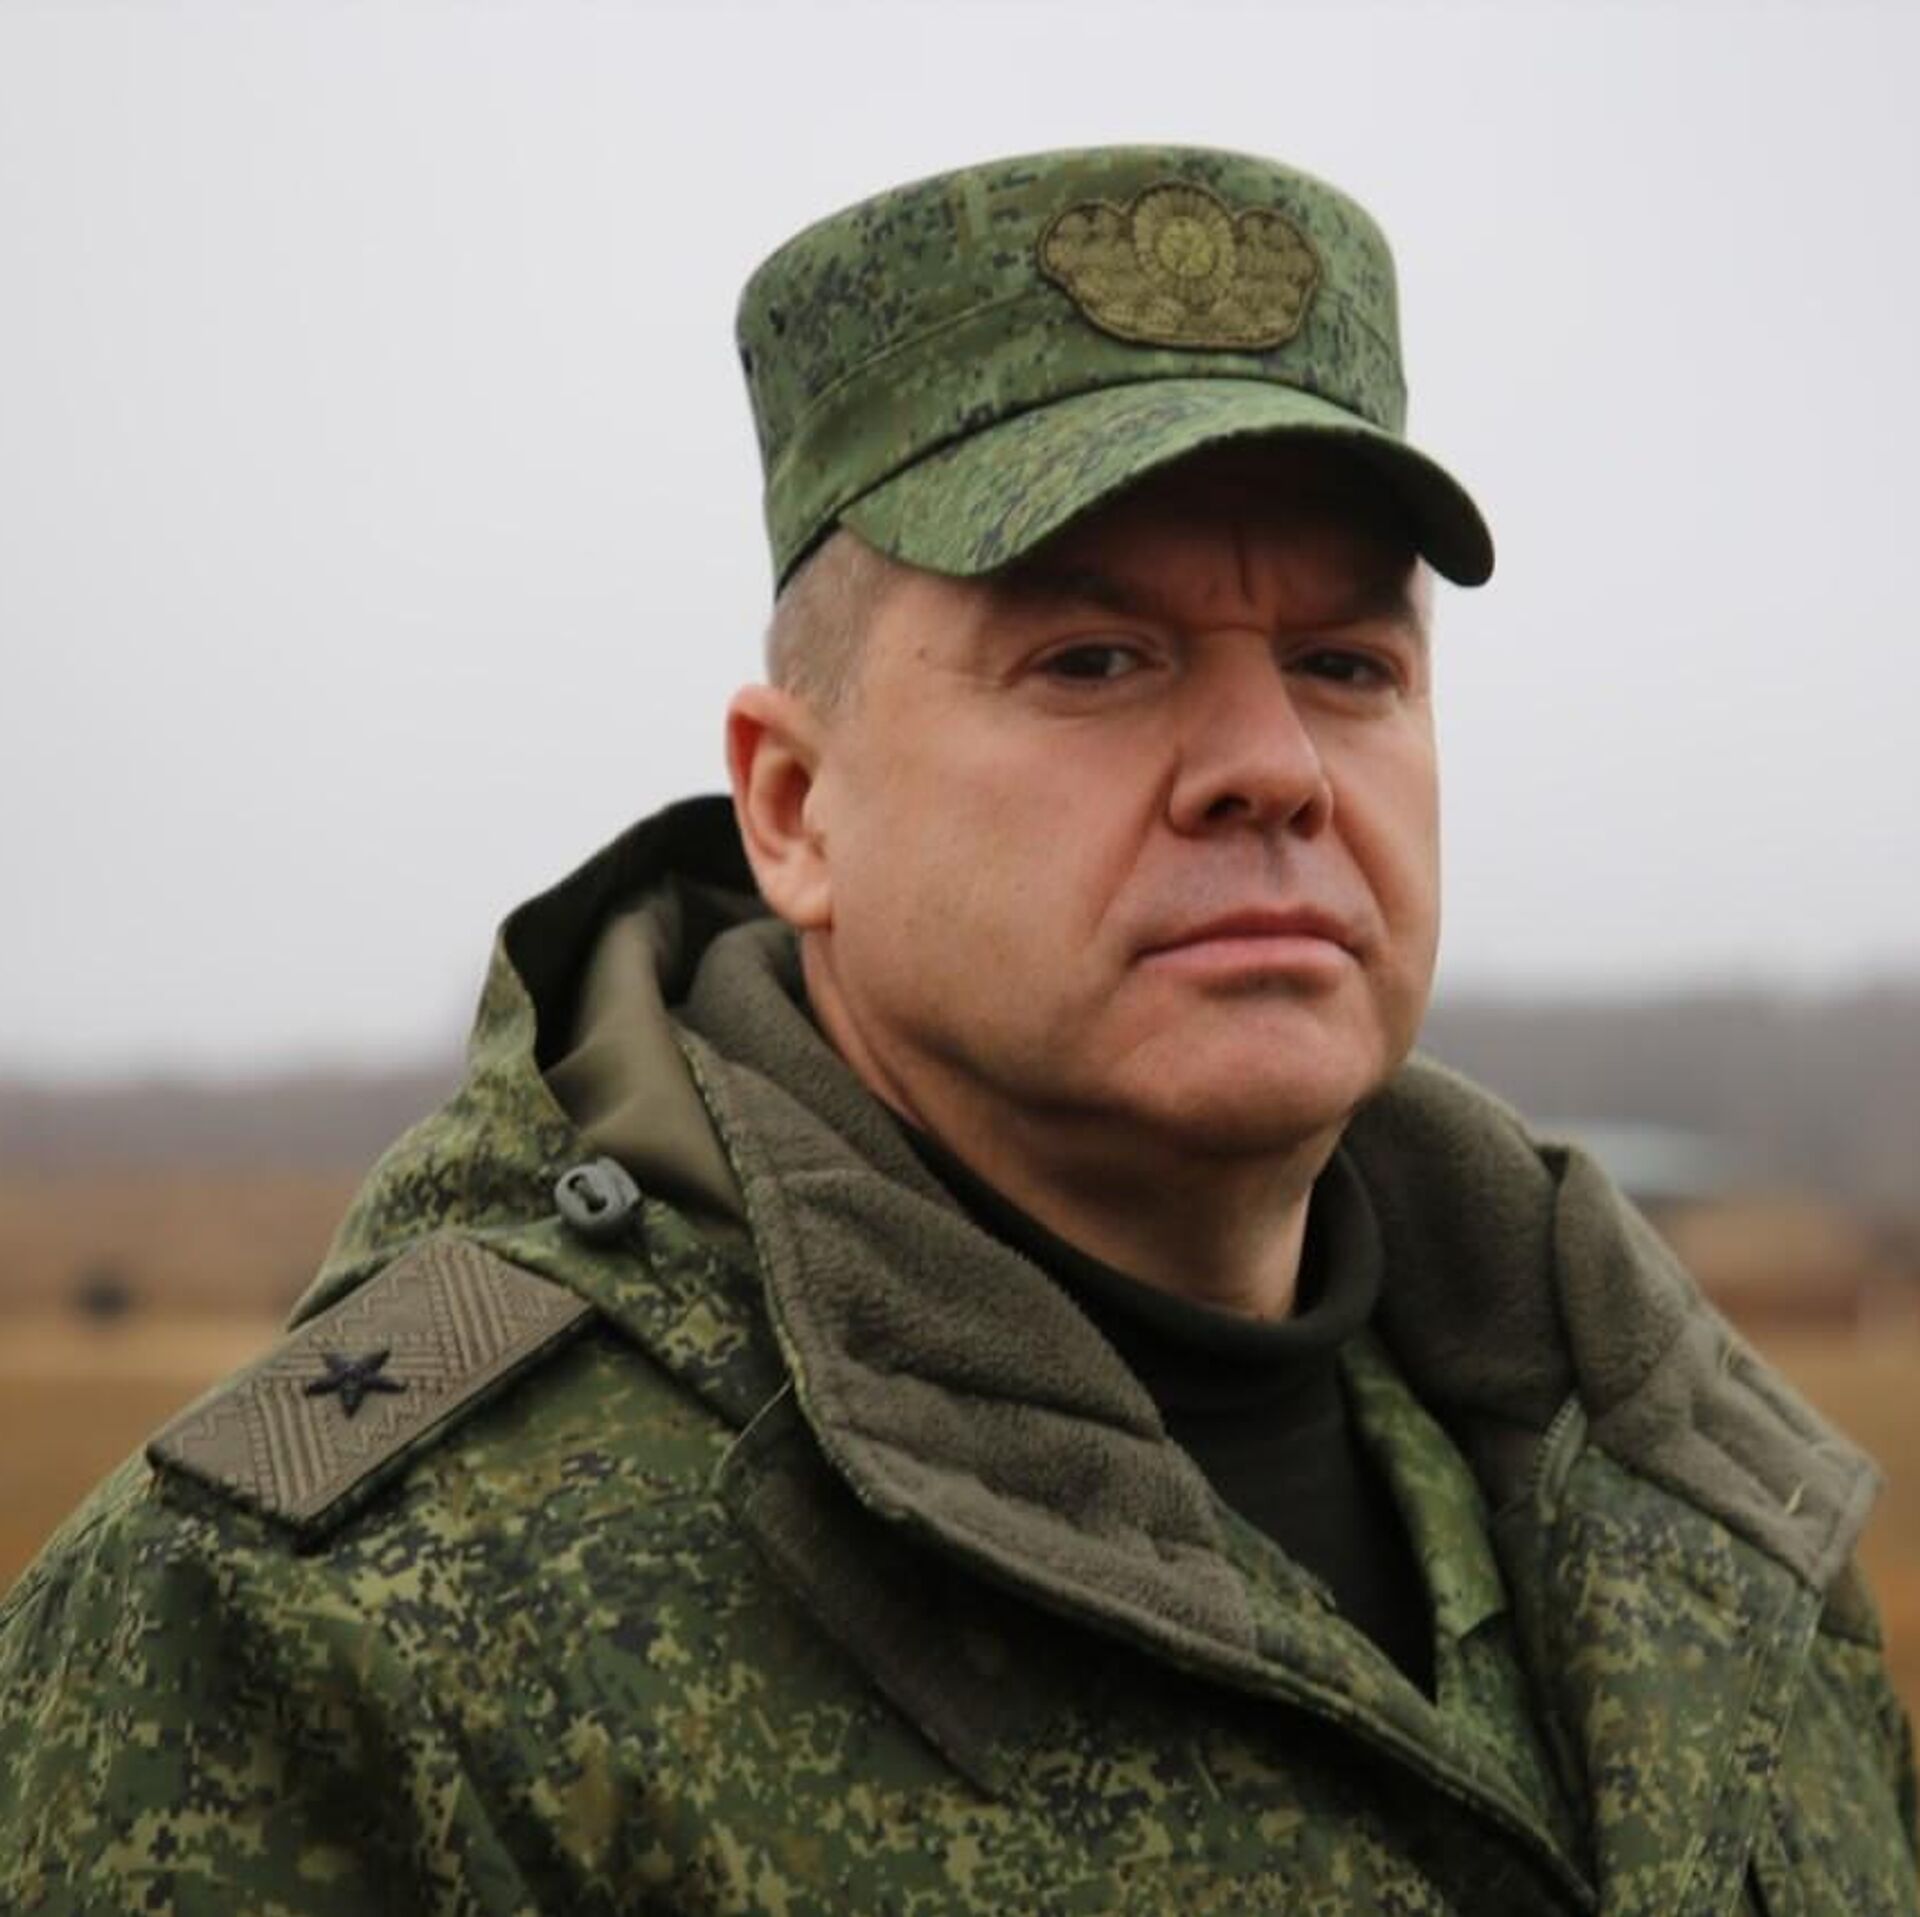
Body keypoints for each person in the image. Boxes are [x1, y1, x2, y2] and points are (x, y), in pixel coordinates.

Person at [2, 144, 1914, 1916]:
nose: (1272, 766)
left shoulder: (1693, 1497)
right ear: (794, 807)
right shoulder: (332, 1632)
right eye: (1095, 659)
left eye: (1346, 664)